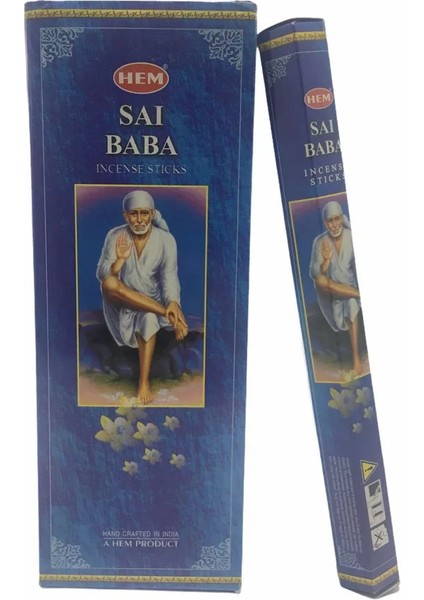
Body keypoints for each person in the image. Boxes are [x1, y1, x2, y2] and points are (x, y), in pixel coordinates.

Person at [96, 190, 188, 404]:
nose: (139, 219)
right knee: (109, 283)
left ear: (152, 214)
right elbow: (102, 273)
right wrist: (119, 260)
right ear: (125, 215)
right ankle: (166, 314)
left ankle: (143, 382)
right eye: (134, 214)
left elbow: (169, 276)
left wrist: (173, 302)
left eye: (144, 213)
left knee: (148, 319)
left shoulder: (166, 240)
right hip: (122, 303)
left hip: (150, 302)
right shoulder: (115, 236)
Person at [309, 200, 362, 375]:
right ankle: (358, 294)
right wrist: (325, 262)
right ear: (325, 223)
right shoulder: (320, 241)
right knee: (320, 281)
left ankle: (356, 359)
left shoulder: (352, 236)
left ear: (341, 218)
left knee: (352, 303)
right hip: (332, 296)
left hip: (350, 290)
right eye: (330, 221)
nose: (334, 224)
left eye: (337, 219)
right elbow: (314, 273)